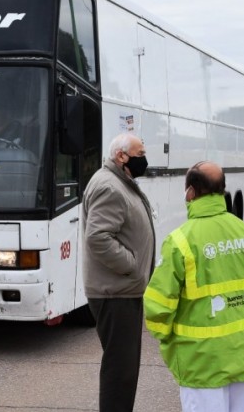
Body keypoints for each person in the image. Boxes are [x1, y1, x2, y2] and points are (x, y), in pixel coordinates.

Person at [144, 161, 244, 412]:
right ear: (222, 189)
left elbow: (158, 304)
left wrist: (165, 338)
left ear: (191, 192)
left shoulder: (180, 241)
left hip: (200, 360)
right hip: (243, 354)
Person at [82, 133, 155, 412]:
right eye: (140, 154)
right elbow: (98, 237)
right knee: (120, 370)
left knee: (124, 368)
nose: (144, 159)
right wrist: (132, 265)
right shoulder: (110, 187)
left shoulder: (120, 182)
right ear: (121, 156)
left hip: (121, 289)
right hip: (115, 292)